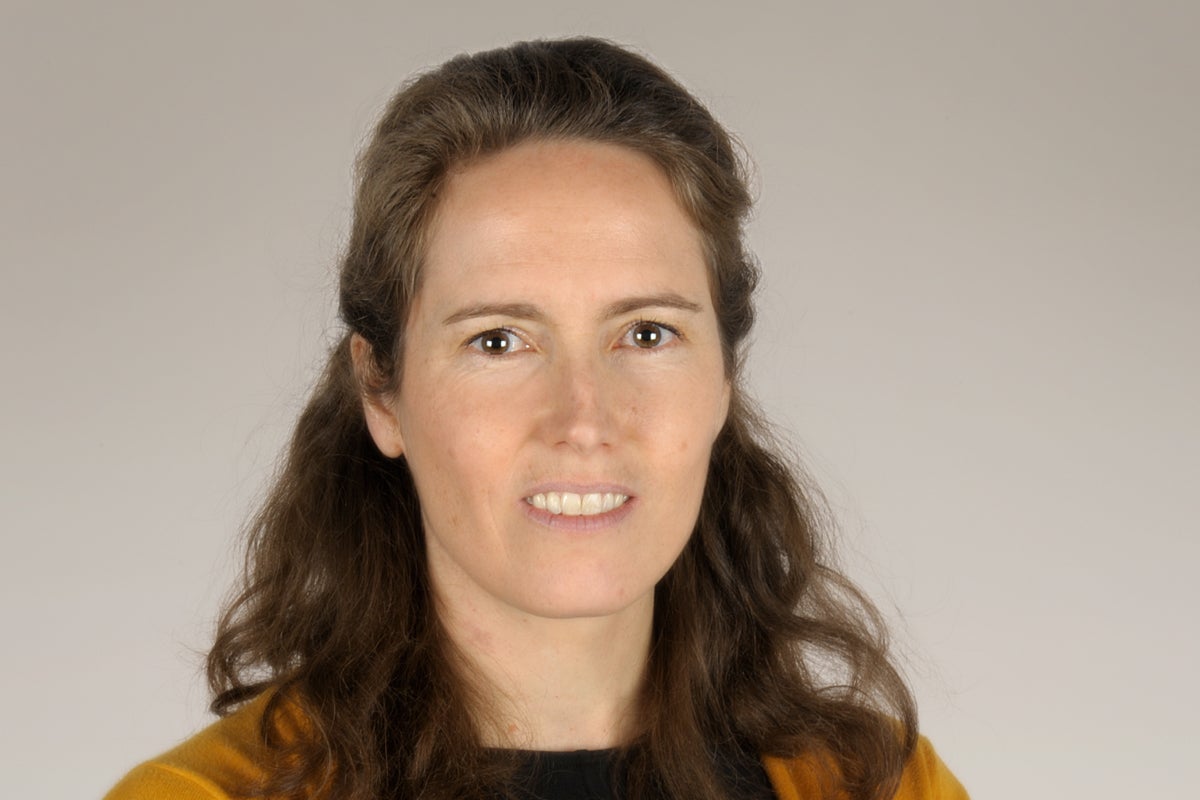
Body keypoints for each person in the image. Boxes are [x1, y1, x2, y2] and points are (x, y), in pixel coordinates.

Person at [105, 37, 968, 800]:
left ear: (724, 379)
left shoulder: (883, 788)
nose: (583, 420)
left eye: (647, 333)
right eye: (498, 341)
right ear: (381, 391)